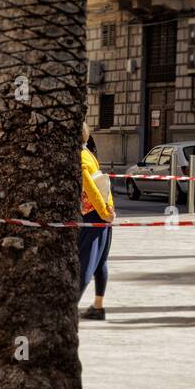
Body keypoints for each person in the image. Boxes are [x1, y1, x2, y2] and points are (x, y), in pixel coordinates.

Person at [79, 121, 115, 321]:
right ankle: (98, 306)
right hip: (103, 216)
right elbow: (104, 184)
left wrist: (102, 213)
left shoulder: (82, 157)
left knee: (86, 263)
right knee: (101, 262)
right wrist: (110, 211)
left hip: (93, 216)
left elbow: (91, 187)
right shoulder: (90, 154)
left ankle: (69, 308)